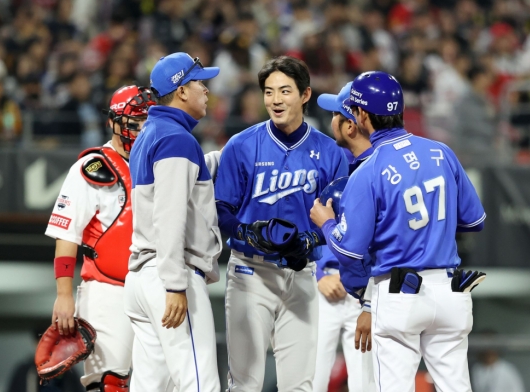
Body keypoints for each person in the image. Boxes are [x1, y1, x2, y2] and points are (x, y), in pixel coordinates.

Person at [310, 71, 486, 392]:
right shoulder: (440, 152)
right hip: (449, 290)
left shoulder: (369, 169)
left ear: (361, 115)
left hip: (398, 293)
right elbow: (473, 220)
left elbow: (349, 250)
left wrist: (327, 223)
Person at [214, 55, 349, 392]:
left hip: (302, 274)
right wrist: (245, 232)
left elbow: (339, 217)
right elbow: (220, 208)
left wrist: (312, 241)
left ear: (305, 94)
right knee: (245, 382)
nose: (275, 100)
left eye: (285, 91)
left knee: (300, 385)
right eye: (269, 91)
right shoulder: (241, 145)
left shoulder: (330, 152)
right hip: (250, 272)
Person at [46, 85, 156, 391]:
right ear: (113, 122)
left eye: (147, 121)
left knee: (163, 381)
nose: (141, 129)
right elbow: (66, 233)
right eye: (134, 122)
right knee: (108, 381)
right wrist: (64, 295)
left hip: (154, 287)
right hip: (107, 289)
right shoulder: (91, 167)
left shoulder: (160, 163)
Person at [124, 53, 222, 391]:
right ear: (181, 91)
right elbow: (170, 216)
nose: (206, 89)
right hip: (169, 277)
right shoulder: (177, 139)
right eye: (199, 82)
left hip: (142, 277)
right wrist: (175, 284)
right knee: (198, 384)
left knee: (151, 387)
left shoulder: (153, 133)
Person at [313, 81, 375, 392]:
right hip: (324, 286)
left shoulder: (381, 167)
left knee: (368, 385)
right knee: (309, 382)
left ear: (351, 124)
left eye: (335, 115)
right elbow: (304, 226)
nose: (331, 122)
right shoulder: (327, 158)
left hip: (369, 291)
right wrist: (318, 272)